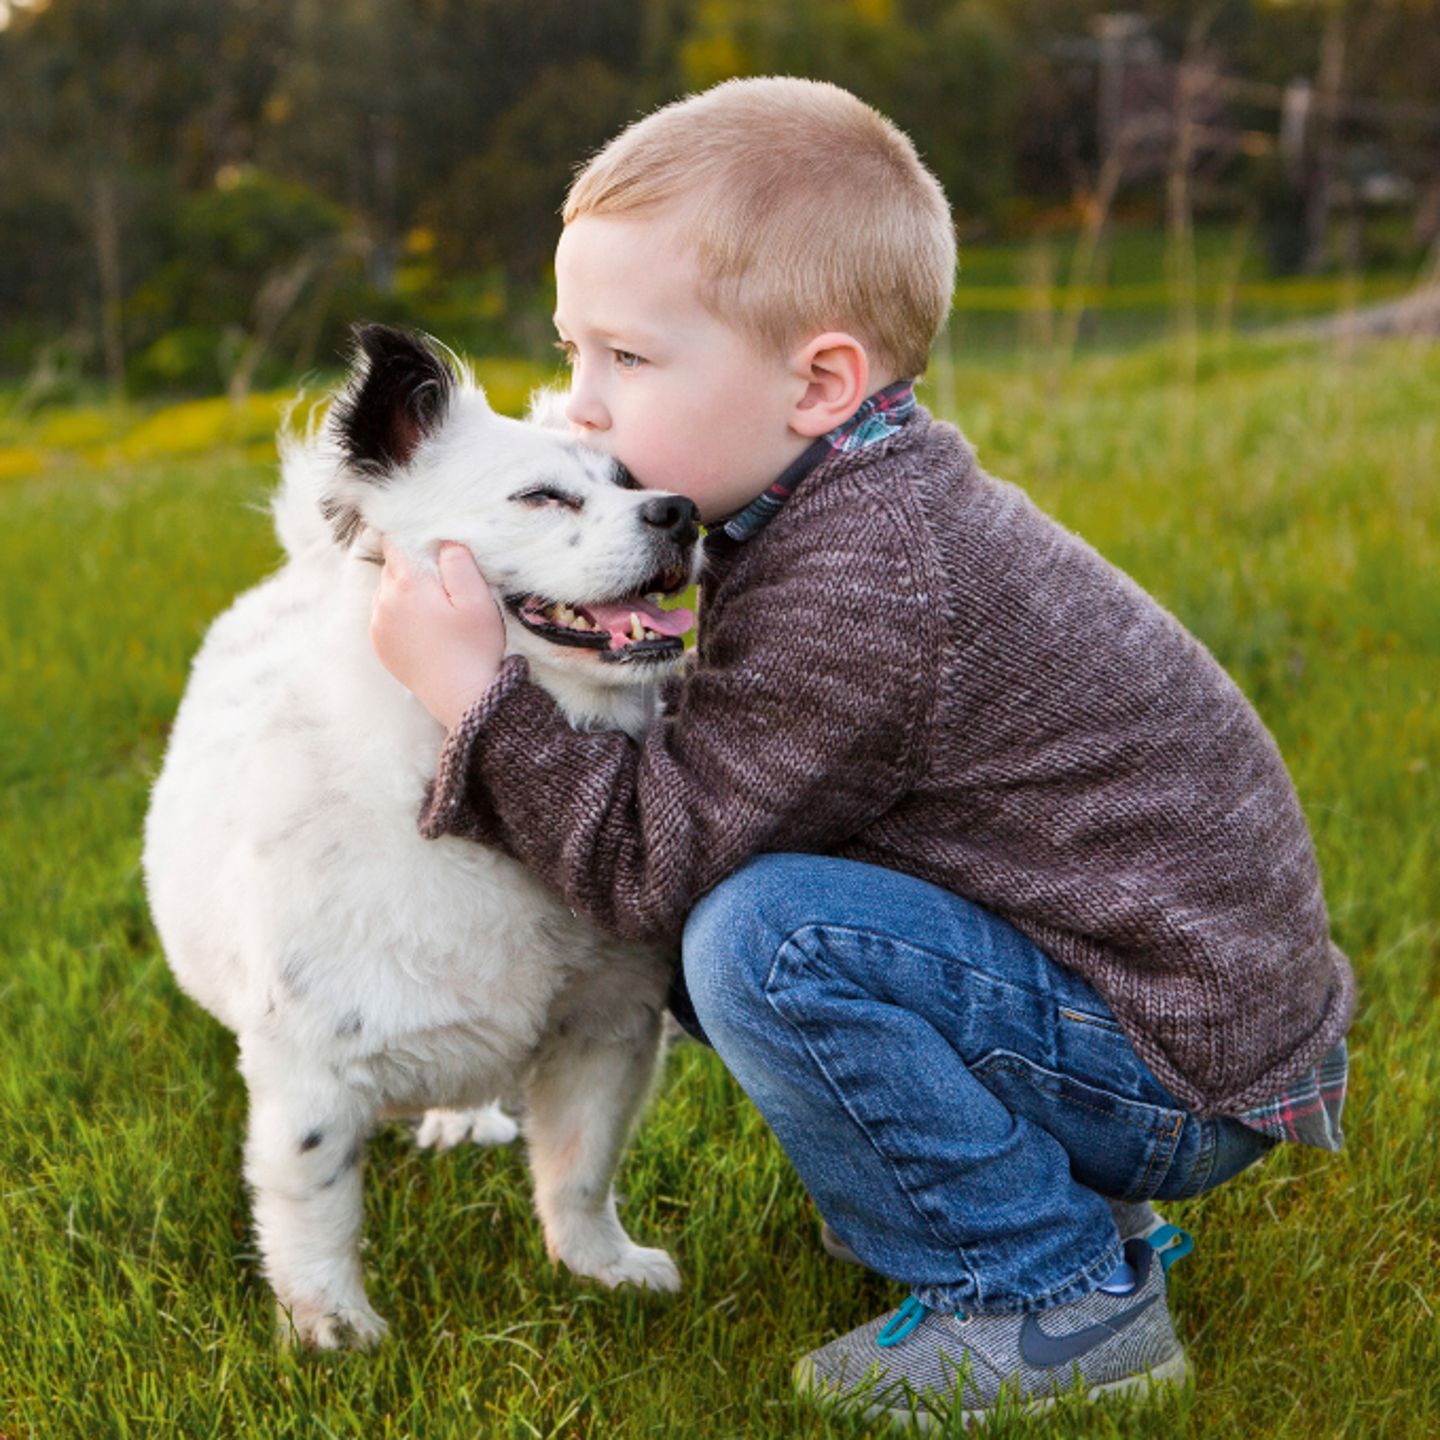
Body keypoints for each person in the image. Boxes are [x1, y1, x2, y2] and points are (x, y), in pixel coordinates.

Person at [368, 76, 1353, 1427]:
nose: (580, 408)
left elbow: (649, 864)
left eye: (628, 358)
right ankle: (1005, 1191)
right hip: (1148, 1002)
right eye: (571, 349)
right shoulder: (837, 508)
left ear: (820, 382)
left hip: (1170, 1064)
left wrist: (477, 697)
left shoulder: (870, 582)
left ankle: (1047, 1290)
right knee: (743, 919)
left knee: (755, 936)